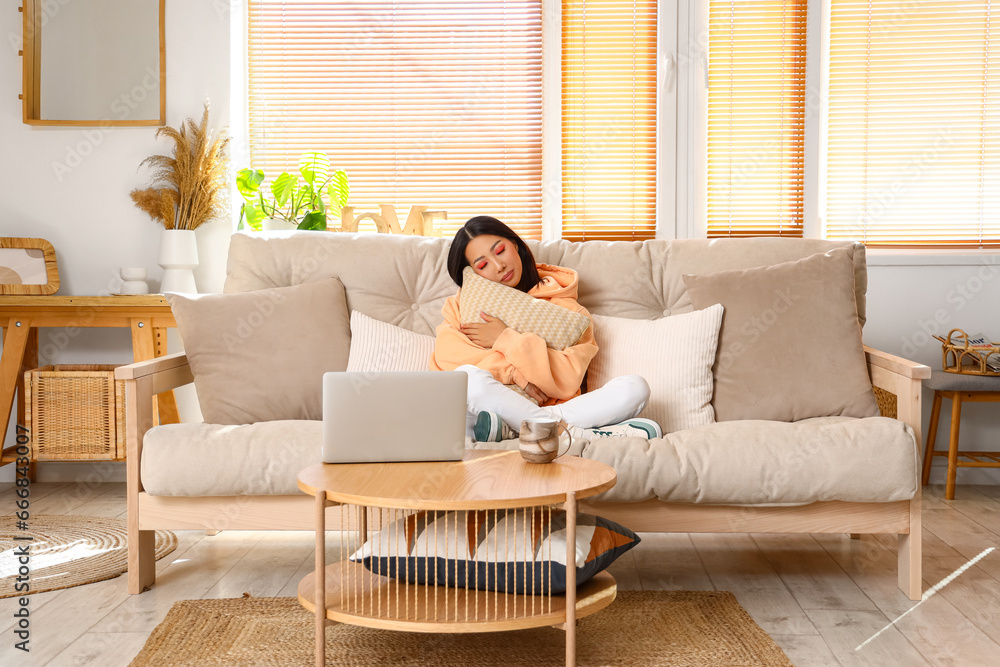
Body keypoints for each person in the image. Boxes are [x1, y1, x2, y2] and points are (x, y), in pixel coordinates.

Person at [429, 215, 660, 442]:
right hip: (483, 408)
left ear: (516, 245)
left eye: (500, 251)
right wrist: (517, 376)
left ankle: (518, 429)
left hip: (552, 407)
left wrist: (505, 339)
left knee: (634, 387)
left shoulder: (567, 311)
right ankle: (568, 432)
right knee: (470, 380)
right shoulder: (463, 305)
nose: (499, 266)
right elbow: (449, 356)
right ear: (471, 275)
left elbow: (568, 380)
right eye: (482, 264)